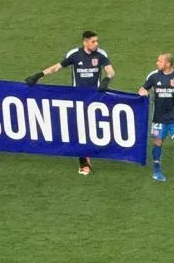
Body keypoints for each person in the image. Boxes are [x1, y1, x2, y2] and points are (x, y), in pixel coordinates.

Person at [25, 30, 115, 176]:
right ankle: (84, 163)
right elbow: (57, 67)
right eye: (93, 41)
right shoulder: (75, 54)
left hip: (94, 99)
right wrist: (38, 76)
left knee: (93, 128)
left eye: (97, 41)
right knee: (80, 130)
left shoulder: (101, 54)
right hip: (77, 98)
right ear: (85, 42)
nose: (96, 44)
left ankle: (88, 156)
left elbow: (111, 71)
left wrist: (106, 80)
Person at [139, 53, 174, 183]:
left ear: (168, 64)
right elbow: (143, 89)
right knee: (158, 143)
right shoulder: (153, 76)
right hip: (158, 117)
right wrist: (142, 91)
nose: (157, 63)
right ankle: (157, 171)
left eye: (159, 61)